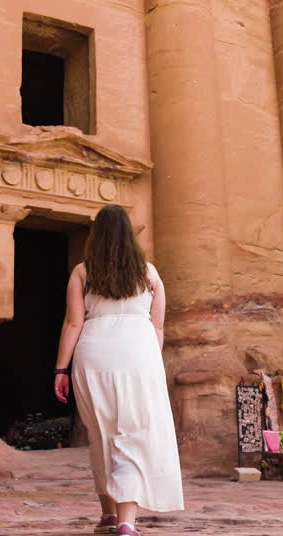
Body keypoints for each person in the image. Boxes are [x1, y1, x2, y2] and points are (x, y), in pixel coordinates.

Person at [53, 205, 183, 536]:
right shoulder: (149, 273)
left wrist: (60, 369)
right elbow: (158, 326)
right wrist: (153, 364)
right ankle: (126, 522)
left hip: (94, 353)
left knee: (101, 435)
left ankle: (108, 515)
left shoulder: (83, 272)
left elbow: (73, 322)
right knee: (133, 436)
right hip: (140, 354)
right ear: (129, 234)